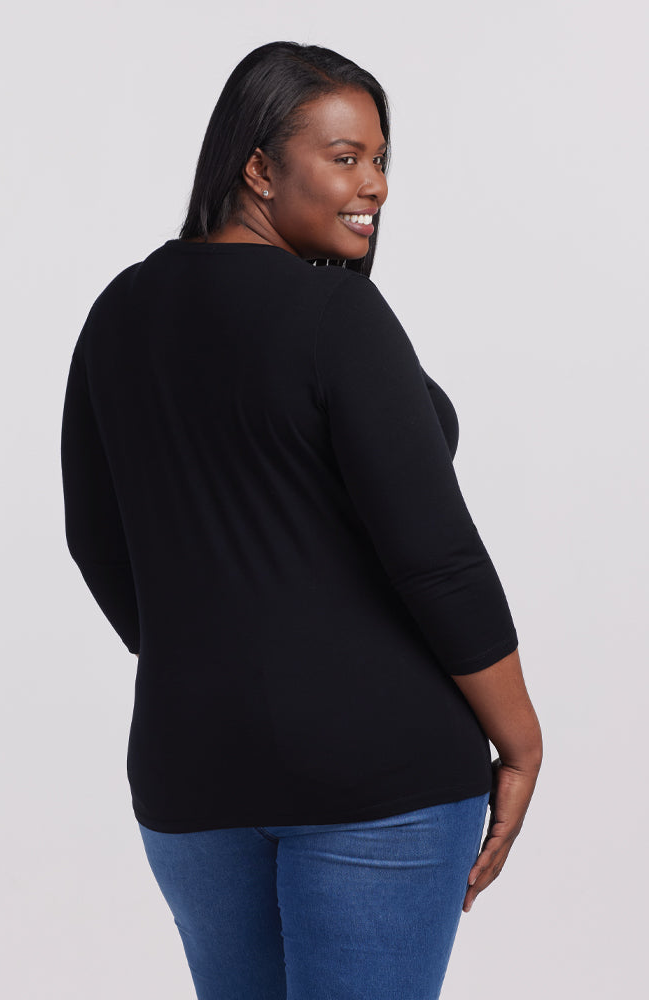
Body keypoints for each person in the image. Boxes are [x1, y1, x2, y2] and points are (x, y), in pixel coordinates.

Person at [60, 40, 542, 1000]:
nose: (376, 186)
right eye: (346, 156)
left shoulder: (120, 312)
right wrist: (522, 742)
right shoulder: (334, 316)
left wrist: (211, 653)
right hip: (379, 780)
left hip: (190, 768)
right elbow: (437, 559)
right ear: (258, 167)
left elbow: (94, 535)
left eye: (379, 158)